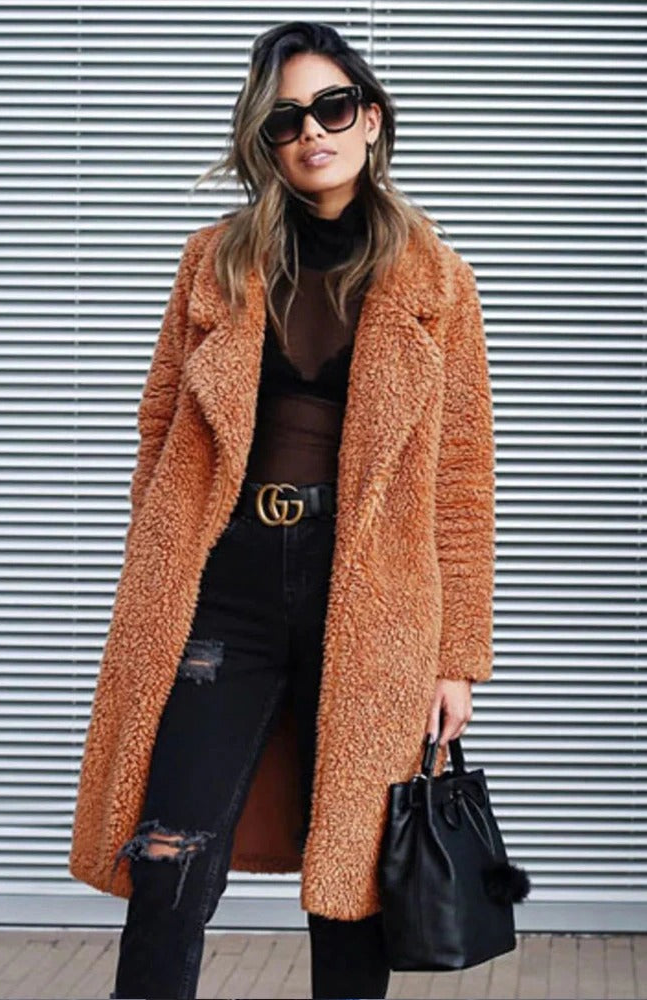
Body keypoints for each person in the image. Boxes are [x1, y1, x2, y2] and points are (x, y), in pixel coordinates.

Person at [68, 19, 496, 1000]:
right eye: (286, 117)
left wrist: (456, 660)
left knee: (351, 878)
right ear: (264, 138)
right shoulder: (214, 263)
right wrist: (159, 560)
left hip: (374, 597)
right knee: (170, 854)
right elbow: (161, 427)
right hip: (227, 585)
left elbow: (462, 481)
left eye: (332, 107)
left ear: (371, 118)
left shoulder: (438, 281)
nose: (312, 132)